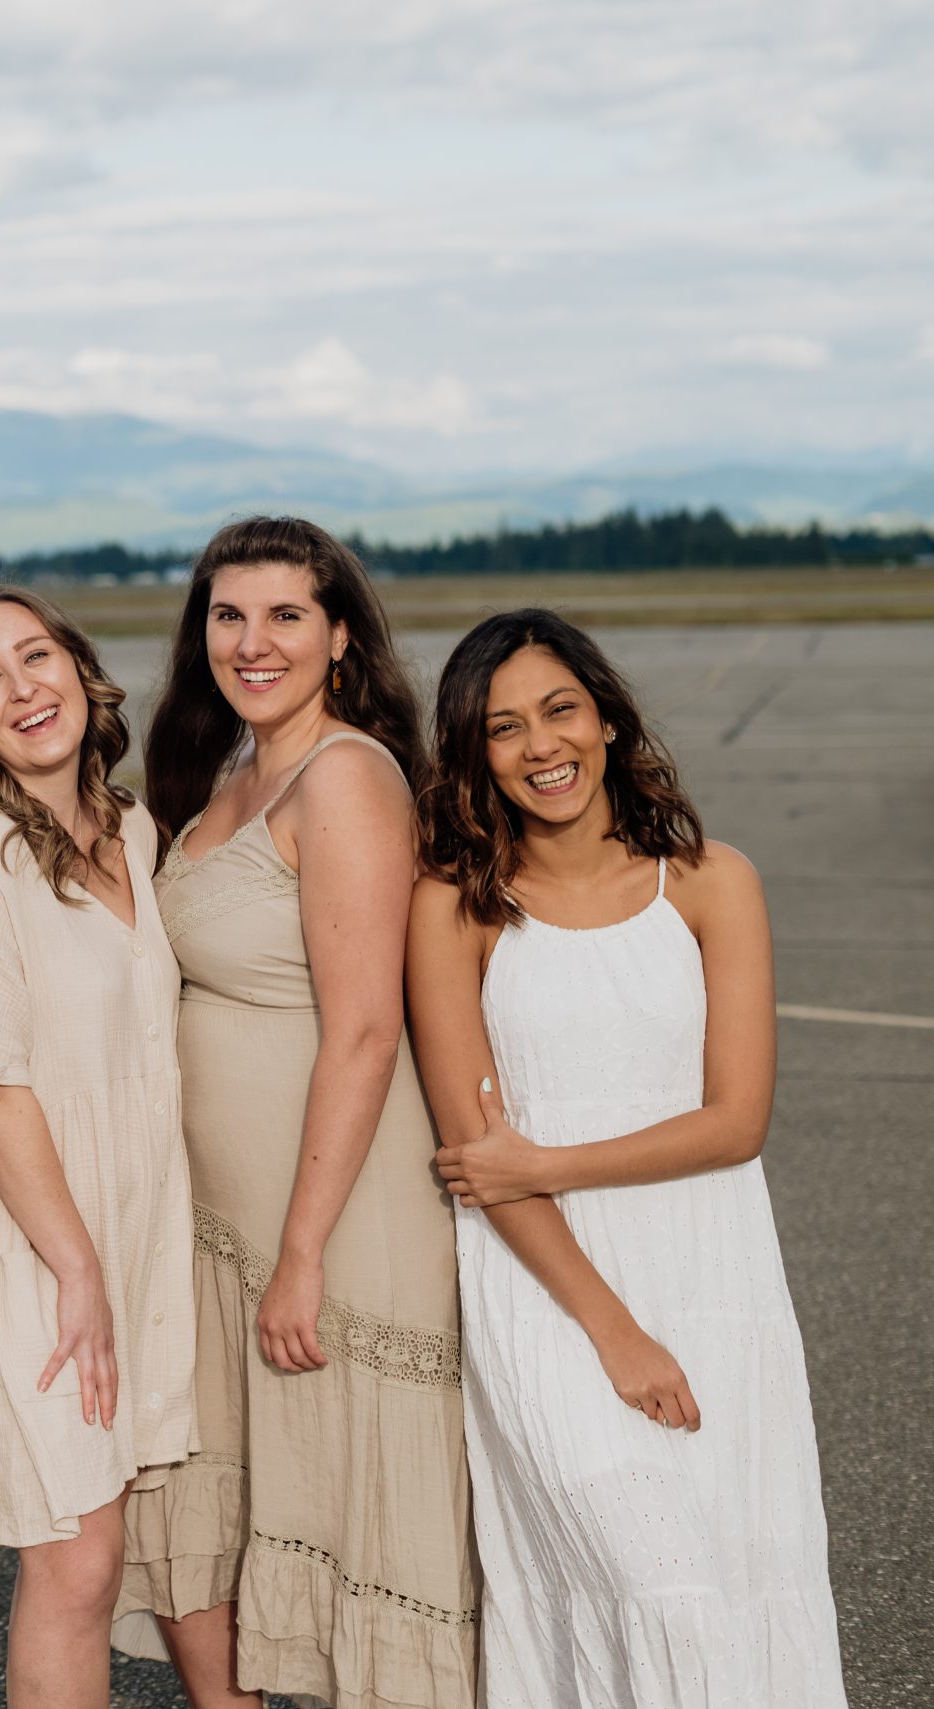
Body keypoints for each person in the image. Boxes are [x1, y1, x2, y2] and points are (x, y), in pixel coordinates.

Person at [408, 610, 845, 1707]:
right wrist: (614, 1331)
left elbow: (735, 1122)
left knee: (733, 1580)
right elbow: (480, 1160)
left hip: (710, 1274)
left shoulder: (710, 881)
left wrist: (545, 1159)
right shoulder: (457, 906)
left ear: (605, 719)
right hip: (549, 1292)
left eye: (559, 709)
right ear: (474, 752)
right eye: (503, 726)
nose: (540, 745)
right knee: (652, 1584)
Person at [124, 517, 477, 1709]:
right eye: (228, 615)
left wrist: (303, 1251)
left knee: (353, 1517)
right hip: (225, 1224)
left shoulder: (345, 776)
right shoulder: (231, 777)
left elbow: (366, 1027)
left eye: (284, 615)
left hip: (330, 1221)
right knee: (209, 1508)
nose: (252, 641)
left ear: (338, 637)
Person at [0, 589, 195, 1709]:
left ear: (80, 670)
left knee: (97, 1549)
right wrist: (77, 1265)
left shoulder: (133, 829)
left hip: (131, 1219)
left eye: (37, 656)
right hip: (33, 1235)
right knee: (75, 1557)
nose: (23, 687)